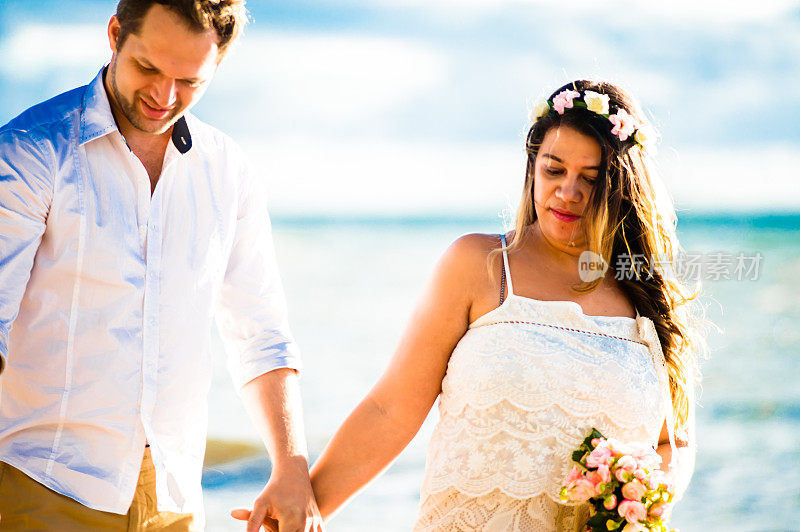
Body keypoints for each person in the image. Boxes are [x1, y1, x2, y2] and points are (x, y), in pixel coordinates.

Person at [308, 80, 704, 530]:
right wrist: (303, 507)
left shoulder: (646, 293)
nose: (568, 192)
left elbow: (674, 442)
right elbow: (391, 409)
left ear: (620, 185)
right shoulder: (480, 264)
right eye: (554, 170)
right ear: (532, 168)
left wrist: (642, 493)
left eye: (591, 179)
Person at [0, 1, 323, 531]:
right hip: (43, 487)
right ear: (114, 35)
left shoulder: (227, 172)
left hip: (174, 500)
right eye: (148, 68)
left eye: (190, 81)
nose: (163, 97)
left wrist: (291, 465)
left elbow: (260, 333)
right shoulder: (32, 152)